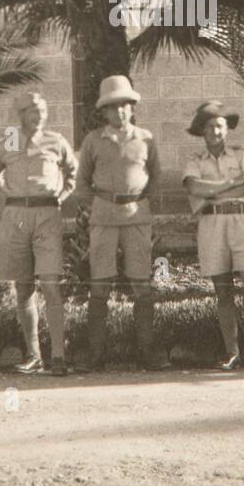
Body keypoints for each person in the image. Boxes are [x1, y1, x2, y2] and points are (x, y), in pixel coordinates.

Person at [76, 75, 167, 371]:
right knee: (100, 283)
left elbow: (156, 177)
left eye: (125, 106)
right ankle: (94, 353)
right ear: (104, 111)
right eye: (113, 107)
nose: (120, 112)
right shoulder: (93, 140)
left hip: (136, 217)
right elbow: (82, 182)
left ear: (132, 107)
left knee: (141, 283)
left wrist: (138, 202)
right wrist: (100, 205)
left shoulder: (146, 139)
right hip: (103, 217)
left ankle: (148, 351)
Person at [0, 91, 77, 376]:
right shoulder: (11, 140)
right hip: (15, 216)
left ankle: (59, 356)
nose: (38, 116)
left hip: (47, 215)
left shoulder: (56, 141)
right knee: (23, 286)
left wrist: (61, 196)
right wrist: (6, 191)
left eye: (42, 110)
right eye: (32, 111)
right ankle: (34, 355)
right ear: (22, 114)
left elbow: (73, 173)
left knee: (51, 284)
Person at [183, 101, 244, 375]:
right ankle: (232, 352)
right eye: (208, 127)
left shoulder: (243, 154)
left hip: (243, 221)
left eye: (219, 126)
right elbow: (195, 186)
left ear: (227, 130)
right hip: (212, 224)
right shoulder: (195, 161)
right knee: (222, 290)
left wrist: (216, 191)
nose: (214, 131)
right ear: (201, 131)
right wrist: (233, 185)